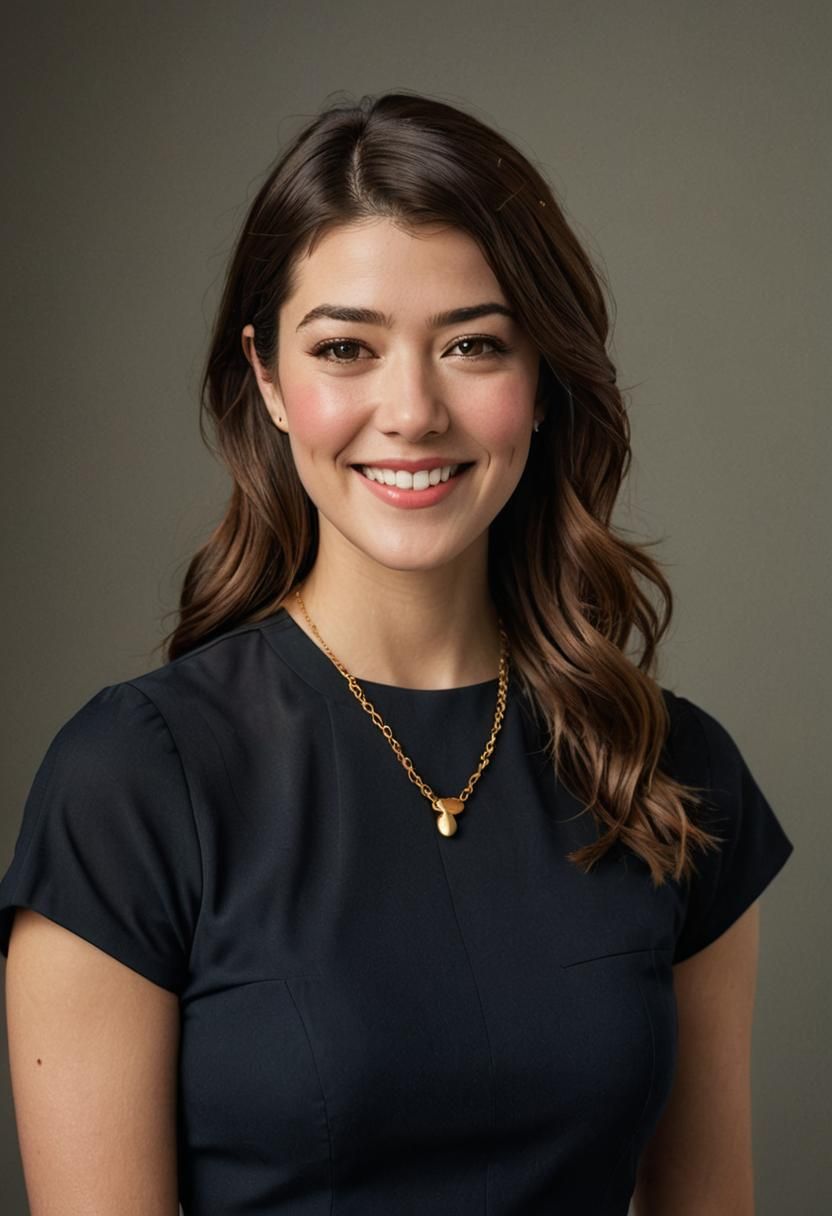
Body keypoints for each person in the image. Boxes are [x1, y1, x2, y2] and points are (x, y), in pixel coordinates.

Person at [0, 90, 793, 1215]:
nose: (411, 410)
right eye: (345, 349)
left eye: (472, 344)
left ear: (543, 381)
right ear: (269, 377)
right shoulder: (132, 784)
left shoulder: (668, 774)